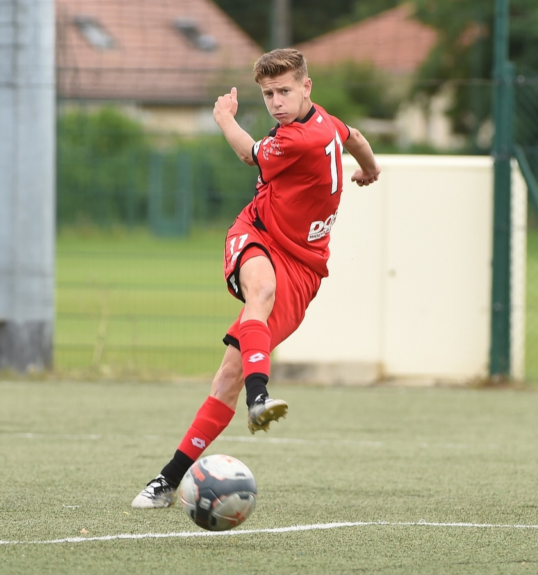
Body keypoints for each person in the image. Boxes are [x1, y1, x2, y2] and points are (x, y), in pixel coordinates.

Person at [132, 48, 381, 509]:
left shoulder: (307, 134)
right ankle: (260, 397)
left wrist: (223, 116)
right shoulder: (315, 127)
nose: (275, 102)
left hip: (305, 267)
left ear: (307, 87)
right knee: (260, 291)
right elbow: (348, 139)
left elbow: (263, 151)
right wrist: (369, 167)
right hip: (257, 233)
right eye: (267, 94)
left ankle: (168, 480)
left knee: (226, 376)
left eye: (284, 90)